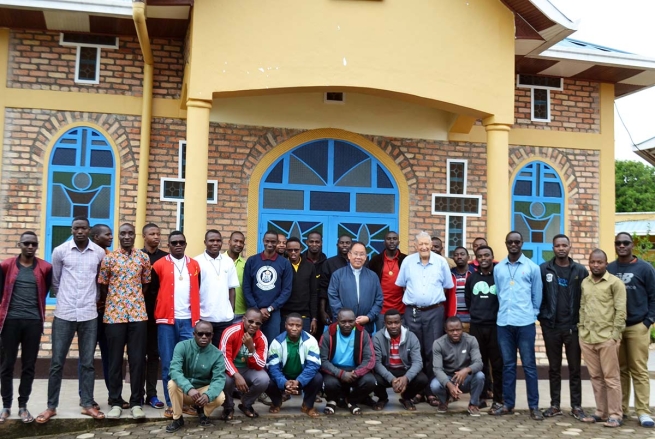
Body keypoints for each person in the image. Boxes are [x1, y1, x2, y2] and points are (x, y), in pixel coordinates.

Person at [36, 217, 106, 424]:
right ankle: (51, 406)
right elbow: (55, 282)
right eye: (76, 228)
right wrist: (66, 299)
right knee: (57, 361)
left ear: (89, 230)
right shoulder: (60, 251)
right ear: (72, 230)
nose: (80, 232)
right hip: (64, 313)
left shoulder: (99, 253)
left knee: (87, 362)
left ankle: (87, 404)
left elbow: (99, 282)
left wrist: (91, 300)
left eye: (83, 228)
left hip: (89, 314)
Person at [97, 223, 151, 419]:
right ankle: (115, 402)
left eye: (130, 233)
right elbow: (103, 285)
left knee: (137, 360)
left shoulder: (143, 258)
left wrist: (134, 299)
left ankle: (136, 402)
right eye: (123, 233)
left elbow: (146, 284)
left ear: (134, 236)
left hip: (138, 315)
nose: (127, 236)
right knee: (115, 360)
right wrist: (115, 300)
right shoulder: (109, 259)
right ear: (119, 236)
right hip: (114, 315)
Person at [395, 231, 453, 407]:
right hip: (412, 312)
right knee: (415, 351)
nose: (424, 247)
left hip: (434, 312)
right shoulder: (407, 262)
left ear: (431, 245)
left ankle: (431, 391)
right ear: (415, 246)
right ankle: (416, 391)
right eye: (420, 244)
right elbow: (402, 285)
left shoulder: (441, 262)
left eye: (427, 244)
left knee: (432, 351)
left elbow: (447, 286)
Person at [0, 232, 52, 424]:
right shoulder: (6, 266)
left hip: (33, 322)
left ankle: (23, 406)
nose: (30, 247)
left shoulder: (45, 268)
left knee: (29, 366)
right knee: (7, 365)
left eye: (34, 244)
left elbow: (44, 291)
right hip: (10, 322)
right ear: (19, 244)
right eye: (27, 243)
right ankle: (6, 406)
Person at [491, 231, 543, 420]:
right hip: (504, 323)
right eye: (510, 242)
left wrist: (532, 314)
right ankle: (508, 404)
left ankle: (534, 406)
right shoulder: (499, 269)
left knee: (529, 366)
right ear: (506, 244)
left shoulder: (532, 268)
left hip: (525, 323)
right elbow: (499, 293)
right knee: (508, 365)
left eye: (517, 241)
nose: (513, 244)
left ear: (522, 243)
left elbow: (537, 296)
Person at [539, 234, 589, 420]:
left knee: (575, 368)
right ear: (553, 248)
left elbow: (586, 297)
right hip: (551, 327)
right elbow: (539, 295)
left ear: (570, 247)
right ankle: (555, 405)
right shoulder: (544, 269)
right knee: (554, 368)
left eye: (564, 245)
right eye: (557, 245)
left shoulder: (580, 271)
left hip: (573, 328)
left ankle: (576, 406)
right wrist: (543, 318)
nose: (561, 248)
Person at [152, 231, 202, 418]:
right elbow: (153, 292)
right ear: (169, 245)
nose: (178, 245)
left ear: (186, 244)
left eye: (181, 242)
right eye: (174, 243)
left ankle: (186, 403)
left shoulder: (195, 265)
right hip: (166, 321)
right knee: (168, 363)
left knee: (189, 364)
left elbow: (198, 288)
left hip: (189, 322)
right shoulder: (158, 265)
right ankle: (172, 404)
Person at [608, 232, 655, 428]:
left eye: (625, 243)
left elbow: (654, 296)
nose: (621, 246)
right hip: (616, 328)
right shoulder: (610, 268)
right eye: (618, 243)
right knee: (620, 371)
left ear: (632, 245)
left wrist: (648, 321)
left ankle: (643, 411)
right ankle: (622, 410)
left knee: (639, 370)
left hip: (637, 326)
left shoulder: (645, 268)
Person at [579, 249, 627, 428]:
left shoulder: (615, 283)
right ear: (589, 263)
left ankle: (615, 414)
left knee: (611, 378)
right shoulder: (585, 283)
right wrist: (581, 329)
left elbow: (621, 311)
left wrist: (614, 336)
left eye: (600, 262)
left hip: (607, 338)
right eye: (593, 262)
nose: (596, 265)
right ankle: (601, 412)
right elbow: (582, 306)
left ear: (606, 264)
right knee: (596, 377)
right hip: (588, 338)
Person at [165, 321, 227, 433]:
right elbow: (174, 370)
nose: (204, 337)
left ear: (212, 335)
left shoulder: (217, 354)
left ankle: (203, 412)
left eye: (208, 334)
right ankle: (177, 418)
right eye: (200, 334)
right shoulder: (182, 346)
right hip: (185, 391)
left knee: (220, 397)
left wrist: (208, 395)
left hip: (202, 392)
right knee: (172, 383)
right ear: (194, 334)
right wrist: (189, 388)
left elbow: (219, 379)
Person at [464, 245, 503, 411]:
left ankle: (498, 400)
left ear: (492, 257)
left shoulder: (499, 276)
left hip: (495, 326)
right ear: (476, 259)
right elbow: (468, 300)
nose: (483, 258)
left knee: (497, 364)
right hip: (477, 326)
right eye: (480, 256)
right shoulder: (472, 278)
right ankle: (480, 397)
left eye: (487, 255)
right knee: (479, 364)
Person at [319, 308, 376, 416]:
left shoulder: (362, 334)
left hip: (355, 370)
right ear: (337, 320)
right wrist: (341, 374)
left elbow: (370, 359)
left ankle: (351, 401)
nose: (347, 325)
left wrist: (356, 373)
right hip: (334, 370)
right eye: (343, 322)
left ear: (355, 320)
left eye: (351, 321)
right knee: (330, 384)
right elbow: (322, 360)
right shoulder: (328, 334)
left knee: (370, 381)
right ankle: (332, 401)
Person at [266, 313, 323, 417]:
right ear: (285, 325)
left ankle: (308, 405)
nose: (294, 328)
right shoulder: (277, 342)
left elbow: (313, 366)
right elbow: (273, 368)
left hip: (302, 375)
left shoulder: (310, 341)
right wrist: (284, 382)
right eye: (291, 325)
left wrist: (299, 381)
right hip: (284, 376)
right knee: (266, 379)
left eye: (298, 325)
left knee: (317, 378)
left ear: (302, 326)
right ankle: (277, 402)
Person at [371, 309, 427, 411]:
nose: (393, 326)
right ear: (385, 323)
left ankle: (406, 397)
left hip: (405, 370)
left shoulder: (411, 337)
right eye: (390, 323)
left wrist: (406, 378)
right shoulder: (378, 338)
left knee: (422, 379)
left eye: (396, 322)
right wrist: (392, 379)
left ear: (401, 322)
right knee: (372, 379)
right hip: (387, 370)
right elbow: (377, 363)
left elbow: (418, 362)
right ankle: (383, 398)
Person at [243, 231, 293, 343]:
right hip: (253, 311)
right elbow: (246, 287)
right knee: (250, 342)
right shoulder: (252, 261)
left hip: (273, 312)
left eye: (273, 242)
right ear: (263, 241)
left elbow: (286, 290)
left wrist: (270, 308)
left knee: (272, 344)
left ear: (277, 243)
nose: (270, 244)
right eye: (267, 241)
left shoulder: (284, 263)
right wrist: (257, 310)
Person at [219, 308, 270, 420]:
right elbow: (224, 357)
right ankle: (228, 406)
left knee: (263, 379)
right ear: (243, 319)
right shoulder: (230, 331)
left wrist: (252, 349)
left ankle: (246, 403)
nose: (253, 325)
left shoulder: (261, 338)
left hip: (248, 369)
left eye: (258, 323)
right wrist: (236, 375)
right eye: (250, 321)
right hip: (230, 369)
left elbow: (261, 364)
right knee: (225, 380)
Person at [430, 316, 485, 416]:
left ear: (462, 329)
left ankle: (473, 404)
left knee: (480, 376)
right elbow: (437, 369)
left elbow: (479, 363)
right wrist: (449, 385)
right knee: (434, 385)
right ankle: (444, 400)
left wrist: (466, 370)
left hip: (465, 379)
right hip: (448, 378)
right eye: (451, 330)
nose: (455, 333)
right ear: (446, 330)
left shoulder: (471, 340)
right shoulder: (438, 343)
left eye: (458, 330)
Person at [86, 224, 114, 410]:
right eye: (107, 234)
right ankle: (86, 398)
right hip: (88, 313)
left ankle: (114, 396)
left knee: (110, 356)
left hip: (108, 313)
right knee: (87, 357)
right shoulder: (88, 254)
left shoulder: (110, 256)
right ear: (96, 237)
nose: (111, 237)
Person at [195, 229, 240, 346]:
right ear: (205, 242)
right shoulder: (196, 261)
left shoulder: (228, 261)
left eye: (218, 240)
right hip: (203, 317)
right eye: (212, 240)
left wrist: (231, 310)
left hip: (224, 318)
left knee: (221, 352)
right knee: (204, 351)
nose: (215, 243)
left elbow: (232, 289)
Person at [327, 242, 383, 334]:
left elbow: (379, 299)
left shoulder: (373, 276)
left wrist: (369, 317)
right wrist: (345, 318)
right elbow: (333, 298)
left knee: (363, 348)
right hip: (343, 325)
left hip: (365, 326)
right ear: (349, 255)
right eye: (355, 253)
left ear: (365, 257)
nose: (358, 257)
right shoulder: (338, 275)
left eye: (362, 254)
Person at [141, 223, 166, 409]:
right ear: (144, 236)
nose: (156, 236)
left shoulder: (166, 257)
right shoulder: (137, 256)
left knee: (154, 355)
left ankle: (152, 394)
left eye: (158, 233)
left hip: (158, 314)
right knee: (138, 355)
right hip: (137, 314)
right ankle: (137, 395)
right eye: (152, 234)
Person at [368, 231, 407, 332]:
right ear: (384, 242)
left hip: (402, 309)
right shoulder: (375, 260)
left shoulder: (406, 260)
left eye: (394, 239)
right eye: (389, 239)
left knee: (402, 339)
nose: (391, 241)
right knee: (382, 339)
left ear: (398, 242)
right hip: (381, 309)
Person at [281, 237, 318, 334]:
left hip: (304, 316)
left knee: (304, 346)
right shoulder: (282, 265)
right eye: (290, 250)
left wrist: (314, 318)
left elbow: (314, 293)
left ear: (301, 249)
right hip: (285, 314)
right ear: (286, 250)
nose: (293, 252)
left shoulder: (310, 266)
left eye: (296, 250)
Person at [318, 235, 352, 327]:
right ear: (337, 245)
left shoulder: (358, 262)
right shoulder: (329, 263)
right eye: (342, 243)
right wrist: (322, 311)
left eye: (347, 243)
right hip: (334, 309)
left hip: (355, 309)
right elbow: (323, 288)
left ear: (352, 245)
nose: (344, 245)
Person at [302, 231, 327, 336]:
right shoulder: (300, 260)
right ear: (307, 242)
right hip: (303, 304)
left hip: (320, 305)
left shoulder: (326, 262)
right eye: (311, 241)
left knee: (317, 337)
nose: (314, 244)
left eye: (317, 242)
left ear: (321, 243)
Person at [225, 231, 247, 323]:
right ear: (229, 242)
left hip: (242, 313)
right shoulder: (220, 261)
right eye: (236, 241)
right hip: (223, 312)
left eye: (241, 242)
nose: (238, 244)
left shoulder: (246, 264)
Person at [449, 247, 473, 329]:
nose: (459, 256)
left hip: (472, 319)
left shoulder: (475, 274)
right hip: (453, 319)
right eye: (456, 255)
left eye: (462, 254)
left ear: (468, 257)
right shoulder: (449, 275)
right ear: (453, 258)